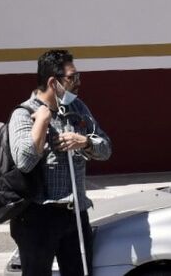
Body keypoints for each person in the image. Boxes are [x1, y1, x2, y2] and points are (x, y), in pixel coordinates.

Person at [7, 49, 112, 276]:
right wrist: (42, 121)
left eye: (78, 76)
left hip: (75, 215)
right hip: (37, 217)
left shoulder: (78, 109)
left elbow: (106, 148)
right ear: (53, 83)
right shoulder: (23, 114)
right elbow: (24, 161)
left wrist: (85, 142)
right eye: (72, 77)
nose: (78, 82)